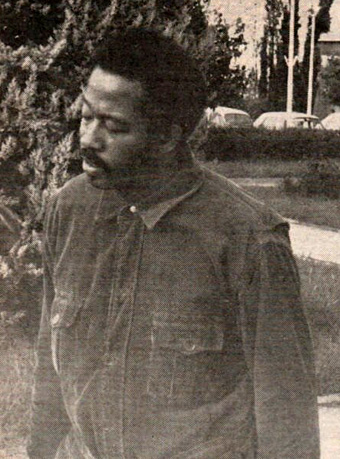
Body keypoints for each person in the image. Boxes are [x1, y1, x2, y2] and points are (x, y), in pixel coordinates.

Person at [28, 28, 320, 459]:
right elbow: (49, 377)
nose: (87, 139)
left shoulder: (250, 239)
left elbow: (288, 421)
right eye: (86, 116)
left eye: (113, 126)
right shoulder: (68, 210)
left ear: (167, 137)